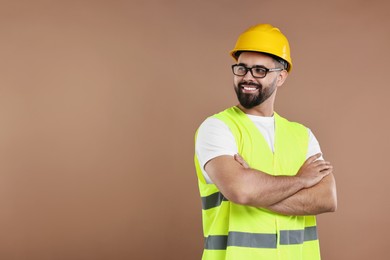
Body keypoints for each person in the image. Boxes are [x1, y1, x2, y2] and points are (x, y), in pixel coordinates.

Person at [194, 24, 337, 260]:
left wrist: (258, 189)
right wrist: (301, 180)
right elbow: (241, 190)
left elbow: (326, 199)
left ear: (280, 77)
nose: (248, 77)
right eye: (242, 68)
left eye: (260, 70)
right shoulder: (217, 127)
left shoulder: (302, 135)